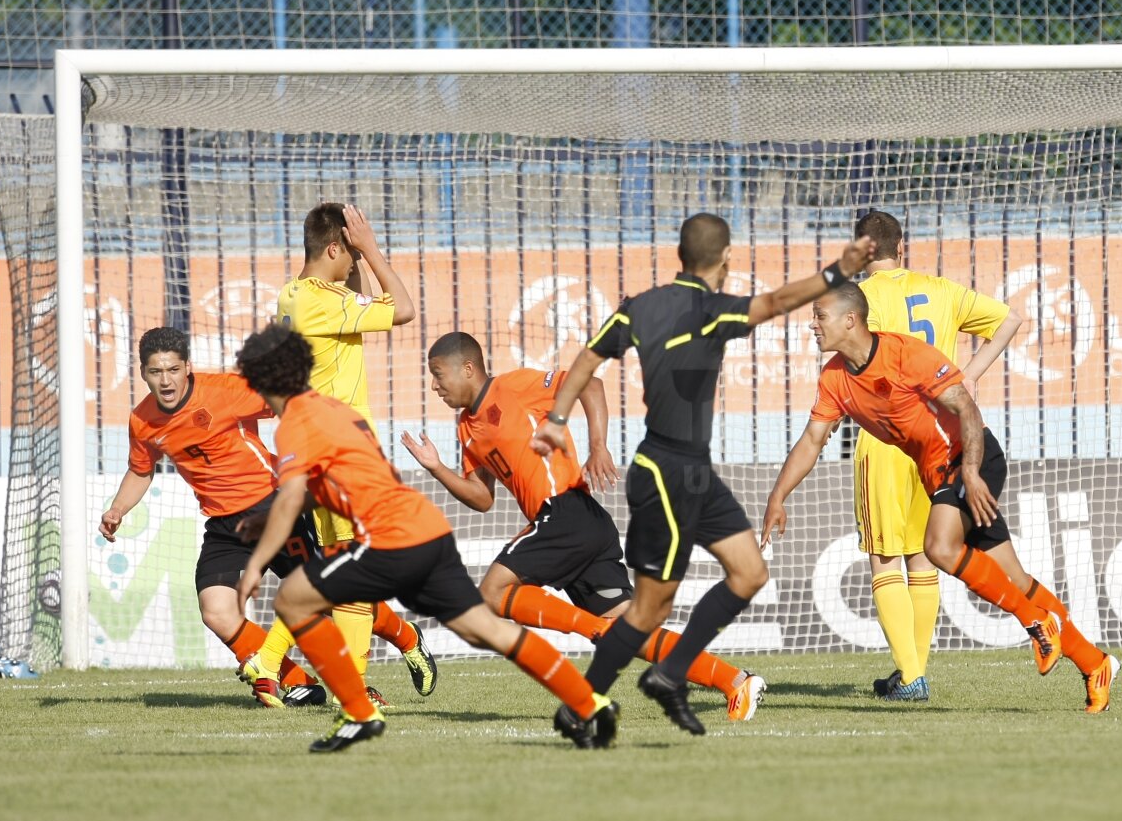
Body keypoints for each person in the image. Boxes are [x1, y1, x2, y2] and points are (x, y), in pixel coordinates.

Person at [531, 213, 877, 734]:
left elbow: (586, 358)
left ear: (679, 255)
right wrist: (834, 273)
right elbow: (778, 301)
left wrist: (558, 419)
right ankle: (583, 701)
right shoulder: (711, 311)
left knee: (749, 572)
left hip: (691, 472)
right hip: (666, 470)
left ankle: (669, 674)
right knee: (648, 610)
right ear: (727, 258)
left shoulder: (638, 308)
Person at [234, 324, 619, 752]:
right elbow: (326, 485)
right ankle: (590, 704)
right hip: (425, 530)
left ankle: (359, 711)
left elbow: (291, 499)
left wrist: (254, 564)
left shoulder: (295, 425)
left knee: (292, 597)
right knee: (484, 629)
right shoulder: (335, 409)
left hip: (386, 537)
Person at [761, 283, 1120, 714]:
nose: (811, 325)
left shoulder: (904, 355)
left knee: (938, 547)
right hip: (941, 475)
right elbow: (812, 439)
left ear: (850, 320)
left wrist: (970, 469)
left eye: (819, 316)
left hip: (972, 459)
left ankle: (1035, 621)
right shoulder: (835, 378)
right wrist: (778, 496)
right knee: (1016, 580)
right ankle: (1095, 663)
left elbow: (966, 407)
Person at [402, 332, 767, 722]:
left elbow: (589, 383)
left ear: (468, 369)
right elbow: (482, 498)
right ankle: (735, 681)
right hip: (576, 527)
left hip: (566, 513)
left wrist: (598, 446)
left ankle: (592, 629)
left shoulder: (514, 387)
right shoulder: (466, 428)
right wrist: (437, 468)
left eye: (439, 374)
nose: (435, 385)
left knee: (492, 594)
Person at [242, 202, 437, 707]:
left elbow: (365, 304)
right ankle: (342, 685)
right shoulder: (324, 302)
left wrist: (359, 263)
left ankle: (269, 661)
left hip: (316, 446)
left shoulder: (293, 294)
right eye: (349, 254)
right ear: (335, 248)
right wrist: (372, 249)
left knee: (340, 564)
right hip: (345, 449)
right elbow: (405, 309)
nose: (355, 264)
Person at [852, 210, 1023, 701]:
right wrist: (969, 374)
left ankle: (911, 675)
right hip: (938, 440)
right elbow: (1011, 318)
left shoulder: (857, 300)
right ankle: (912, 672)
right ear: (900, 247)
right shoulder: (942, 289)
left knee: (885, 560)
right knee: (922, 558)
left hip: (886, 438)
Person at [98, 326, 319, 700]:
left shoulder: (226, 390)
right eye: (155, 372)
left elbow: (291, 401)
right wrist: (118, 509)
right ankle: (298, 682)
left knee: (330, 596)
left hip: (273, 505)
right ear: (142, 373)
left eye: (172, 370)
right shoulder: (143, 420)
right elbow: (141, 468)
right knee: (216, 609)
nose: (165, 380)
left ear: (187, 366)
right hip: (225, 524)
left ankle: (405, 637)